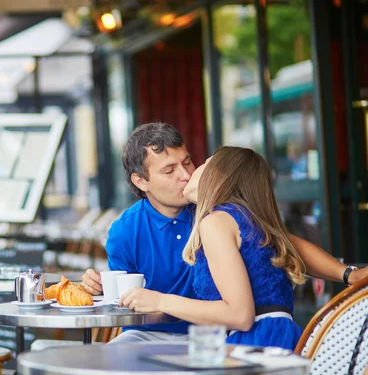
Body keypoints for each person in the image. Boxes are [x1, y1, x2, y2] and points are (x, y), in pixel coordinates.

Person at [81, 122, 368, 344]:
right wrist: (103, 291)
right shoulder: (124, 231)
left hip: (220, 334)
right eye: (169, 170)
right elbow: (126, 303)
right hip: (154, 334)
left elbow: (279, 242)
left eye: (188, 162)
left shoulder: (216, 213)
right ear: (141, 181)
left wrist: (346, 273)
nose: (186, 175)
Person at [121, 147, 304, 349]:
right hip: (282, 338)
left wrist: (159, 301)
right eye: (169, 170)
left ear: (220, 177)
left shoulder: (216, 222)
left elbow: (240, 316)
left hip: (254, 345)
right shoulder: (246, 220)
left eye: (205, 164)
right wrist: (345, 273)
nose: (188, 174)